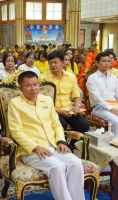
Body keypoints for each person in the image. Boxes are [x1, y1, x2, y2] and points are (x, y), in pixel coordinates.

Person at [8, 71, 85, 200]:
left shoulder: (47, 99)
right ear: (20, 88)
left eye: (35, 84)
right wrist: (36, 147)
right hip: (32, 151)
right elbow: (16, 131)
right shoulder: (15, 103)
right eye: (28, 85)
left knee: (76, 163)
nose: (33, 88)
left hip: (54, 145)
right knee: (58, 166)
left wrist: (61, 141)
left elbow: (56, 124)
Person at [39, 52, 89, 150]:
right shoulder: (43, 78)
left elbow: (76, 96)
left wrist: (77, 105)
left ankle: (71, 146)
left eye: (55, 62)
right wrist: (58, 111)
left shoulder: (71, 77)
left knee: (84, 124)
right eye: (50, 63)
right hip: (52, 110)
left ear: (62, 63)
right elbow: (42, 101)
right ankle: (62, 148)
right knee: (61, 124)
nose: (53, 65)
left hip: (68, 109)